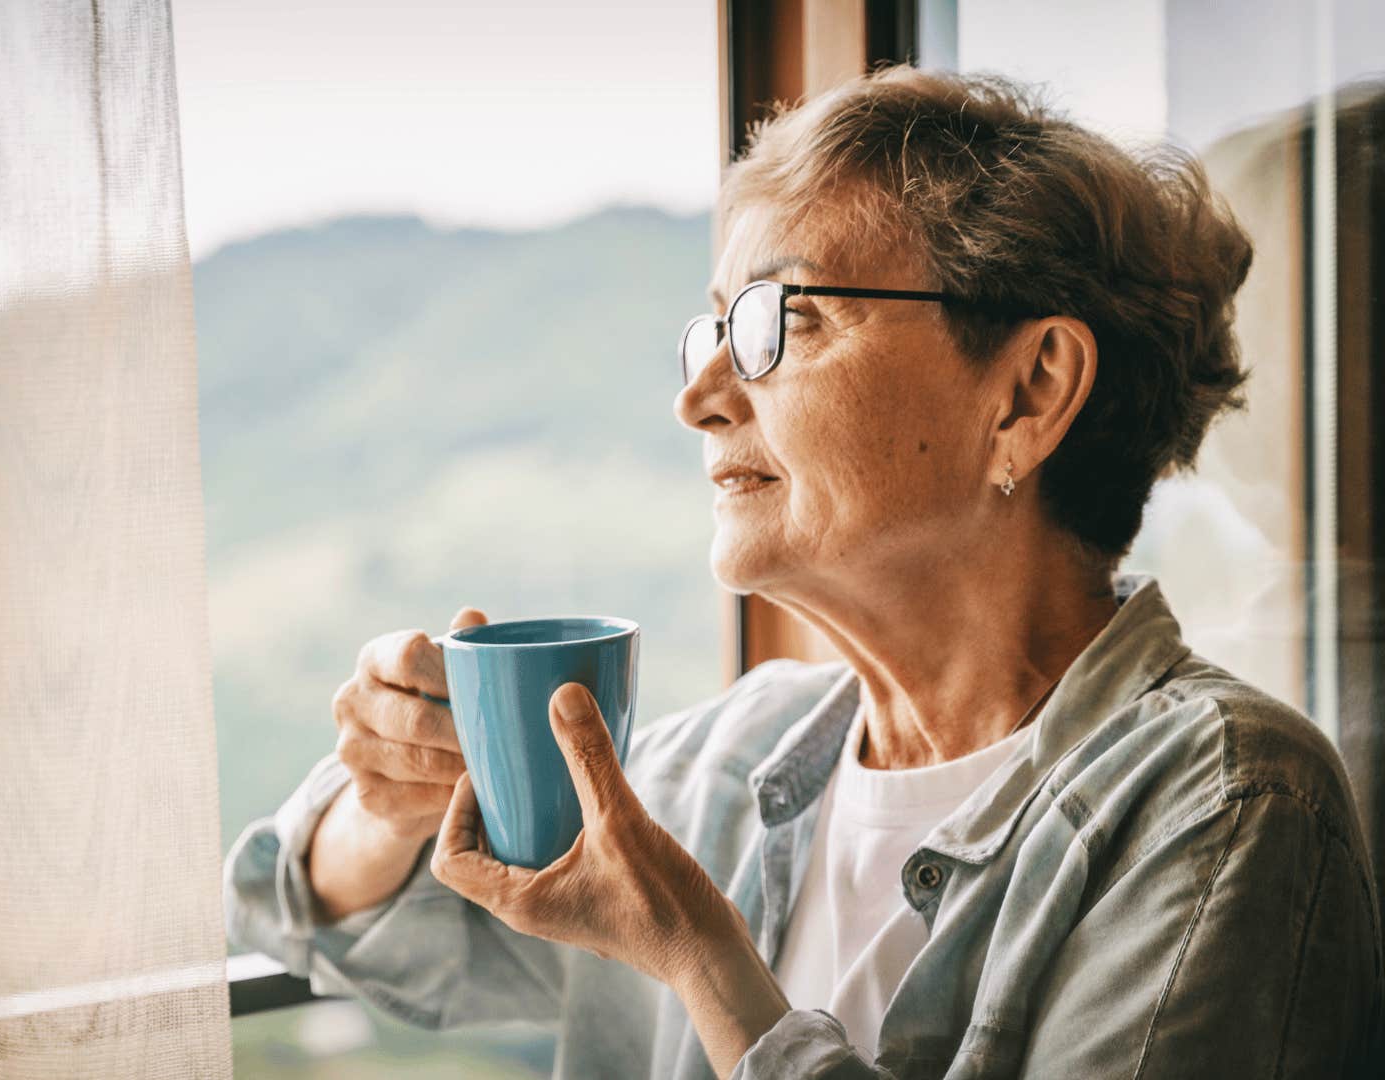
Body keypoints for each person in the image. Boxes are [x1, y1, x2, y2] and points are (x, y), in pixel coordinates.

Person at [223, 66, 1385, 1078]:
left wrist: (701, 957)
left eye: (781, 320)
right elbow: (318, 914)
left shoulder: (1227, 804)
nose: (701, 395)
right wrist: (389, 797)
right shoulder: (739, 756)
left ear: (1028, 393)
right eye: (715, 327)